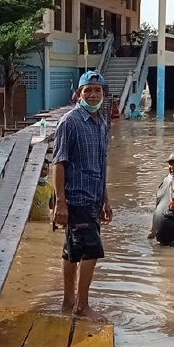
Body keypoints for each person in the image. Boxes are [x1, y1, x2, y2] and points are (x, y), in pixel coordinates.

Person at [53, 71, 112, 318]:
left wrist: (105, 200)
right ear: (79, 94)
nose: (93, 94)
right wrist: (60, 203)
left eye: (98, 90)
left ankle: (68, 303)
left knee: (72, 251)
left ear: (103, 94)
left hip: (94, 197)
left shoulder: (101, 123)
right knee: (91, 251)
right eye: (88, 90)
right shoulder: (70, 122)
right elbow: (59, 162)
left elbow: (101, 164)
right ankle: (82, 306)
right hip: (76, 197)